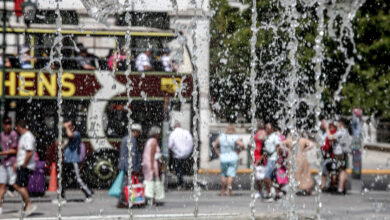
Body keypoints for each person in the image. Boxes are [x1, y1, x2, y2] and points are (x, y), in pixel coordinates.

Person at [54, 120, 93, 204]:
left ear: (73, 127)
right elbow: (64, 145)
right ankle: (61, 197)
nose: (67, 126)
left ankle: (88, 194)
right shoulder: (70, 137)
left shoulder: (76, 134)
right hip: (67, 160)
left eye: (70, 125)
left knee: (78, 179)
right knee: (62, 179)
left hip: (73, 160)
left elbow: (70, 135)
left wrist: (66, 126)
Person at [13, 119, 37, 216]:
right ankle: (25, 207)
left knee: (17, 185)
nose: (16, 130)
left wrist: (23, 165)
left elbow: (29, 152)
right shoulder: (24, 136)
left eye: (16, 128)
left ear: (19, 127)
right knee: (22, 186)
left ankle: (29, 204)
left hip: (26, 165)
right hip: (23, 164)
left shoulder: (28, 136)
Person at [213, 124, 245, 196]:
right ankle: (229, 190)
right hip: (233, 157)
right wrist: (238, 152)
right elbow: (242, 145)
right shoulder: (234, 137)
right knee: (231, 175)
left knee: (224, 174)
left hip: (223, 158)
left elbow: (214, 145)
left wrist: (219, 154)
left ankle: (222, 190)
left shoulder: (221, 136)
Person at [117, 123, 143, 208]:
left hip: (124, 164)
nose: (138, 134)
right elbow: (133, 155)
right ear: (135, 131)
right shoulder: (132, 140)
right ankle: (123, 201)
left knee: (126, 183)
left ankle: (124, 200)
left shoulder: (125, 138)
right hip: (129, 165)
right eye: (138, 132)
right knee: (127, 183)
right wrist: (134, 168)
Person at [326, 119, 351, 195]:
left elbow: (330, 137)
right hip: (344, 153)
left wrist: (327, 128)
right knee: (343, 170)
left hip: (339, 153)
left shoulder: (341, 132)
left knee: (341, 171)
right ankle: (343, 188)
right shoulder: (346, 132)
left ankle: (340, 189)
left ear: (341, 123)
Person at [0, 117, 18, 215]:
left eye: (9, 123)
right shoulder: (1, 135)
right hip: (3, 163)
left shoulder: (13, 134)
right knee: (1, 185)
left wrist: (2, 153)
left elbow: (15, 150)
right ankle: (0, 207)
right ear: (3, 124)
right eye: (6, 123)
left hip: (12, 162)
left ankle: (26, 203)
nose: (8, 125)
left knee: (15, 185)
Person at [168, 121, 193, 188]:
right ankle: (183, 178)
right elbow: (191, 142)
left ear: (174, 127)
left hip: (177, 155)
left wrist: (174, 151)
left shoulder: (173, 134)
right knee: (182, 167)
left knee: (177, 168)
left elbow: (169, 145)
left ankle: (181, 182)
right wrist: (188, 151)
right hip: (186, 154)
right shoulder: (186, 132)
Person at [263, 122, 281, 202]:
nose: (265, 129)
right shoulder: (268, 137)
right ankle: (276, 194)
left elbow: (278, 148)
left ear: (271, 129)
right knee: (274, 178)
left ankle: (269, 194)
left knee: (266, 177)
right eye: (265, 127)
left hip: (273, 159)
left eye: (267, 128)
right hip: (270, 159)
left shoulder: (275, 137)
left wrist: (278, 159)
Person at [253, 121, 267, 199]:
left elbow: (264, 147)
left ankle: (262, 191)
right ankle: (262, 190)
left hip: (260, 156)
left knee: (260, 175)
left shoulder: (263, 134)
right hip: (258, 155)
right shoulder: (261, 133)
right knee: (260, 174)